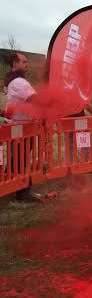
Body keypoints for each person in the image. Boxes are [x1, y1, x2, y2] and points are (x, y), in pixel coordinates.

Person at [3, 52, 40, 201]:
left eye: (26, 62)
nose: (27, 64)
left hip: (20, 126)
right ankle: (21, 192)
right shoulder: (19, 82)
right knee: (20, 158)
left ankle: (9, 184)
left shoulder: (14, 80)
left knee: (16, 158)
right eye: (23, 62)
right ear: (14, 63)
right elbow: (34, 99)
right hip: (22, 128)